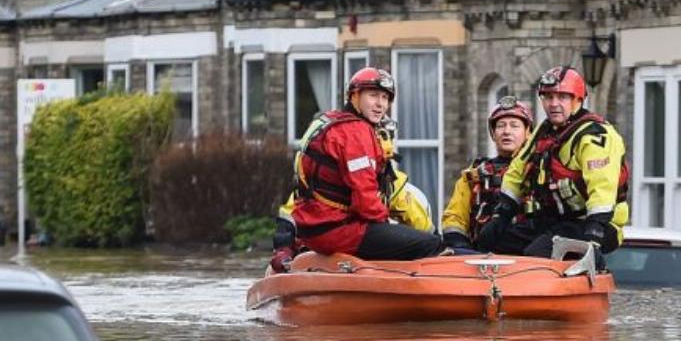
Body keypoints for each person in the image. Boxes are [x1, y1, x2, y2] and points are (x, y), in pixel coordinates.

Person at [269, 67, 446, 269]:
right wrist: (389, 230)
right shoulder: (356, 133)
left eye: (385, 98)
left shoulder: (330, 122)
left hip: (314, 229)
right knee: (430, 245)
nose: (380, 104)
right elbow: (366, 200)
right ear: (354, 96)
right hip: (338, 230)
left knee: (401, 238)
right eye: (373, 96)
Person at [477, 65, 630, 260]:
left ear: (578, 100)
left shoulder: (596, 136)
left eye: (562, 97)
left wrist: (594, 234)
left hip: (594, 224)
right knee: (495, 242)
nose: (554, 104)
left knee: (538, 253)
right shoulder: (545, 131)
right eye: (548, 97)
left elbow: (602, 188)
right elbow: (517, 171)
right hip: (555, 220)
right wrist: (501, 215)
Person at [440, 96, 535, 253]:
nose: (506, 131)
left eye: (514, 126)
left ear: (527, 132)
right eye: (500, 126)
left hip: (526, 254)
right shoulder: (476, 172)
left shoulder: (539, 169)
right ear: (493, 133)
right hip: (480, 257)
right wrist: (459, 244)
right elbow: (455, 217)